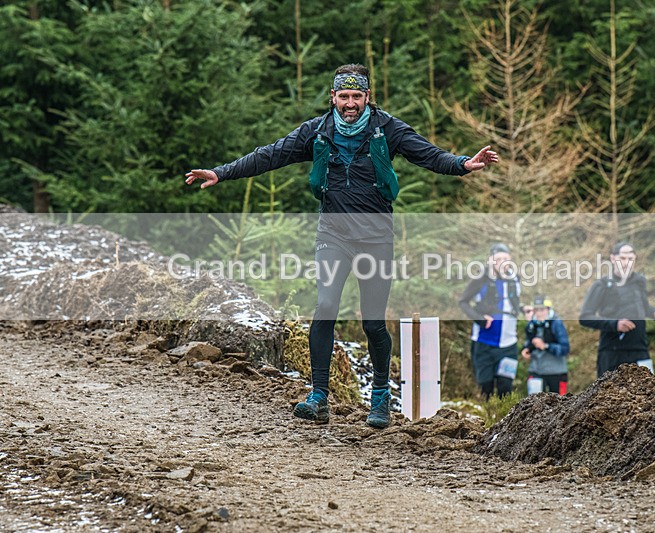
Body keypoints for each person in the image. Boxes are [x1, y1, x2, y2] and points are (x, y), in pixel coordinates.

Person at [185, 64, 498, 427]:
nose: (350, 104)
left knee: (372, 322)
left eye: (357, 97)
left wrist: (463, 164)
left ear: (368, 97)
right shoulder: (316, 131)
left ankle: (380, 396)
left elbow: (429, 155)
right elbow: (269, 155)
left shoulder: (388, 129)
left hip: (376, 238)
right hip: (332, 235)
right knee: (326, 305)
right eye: (344, 96)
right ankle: (318, 396)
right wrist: (222, 172)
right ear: (333, 97)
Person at [579, 241, 655, 377]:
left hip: (640, 349)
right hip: (612, 352)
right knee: (609, 396)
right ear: (613, 259)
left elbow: (643, 308)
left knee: (648, 394)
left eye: (630, 259)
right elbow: (585, 317)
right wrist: (615, 324)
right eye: (622, 258)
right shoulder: (602, 285)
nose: (626, 262)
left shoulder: (640, 281)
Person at [458, 243, 522, 399]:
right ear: (490, 260)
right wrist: (479, 319)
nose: (502, 262)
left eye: (505, 259)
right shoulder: (481, 279)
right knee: (485, 387)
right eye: (498, 259)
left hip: (509, 344)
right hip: (484, 343)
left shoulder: (515, 279)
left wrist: (524, 309)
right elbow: (463, 302)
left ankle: (505, 421)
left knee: (505, 387)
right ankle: (486, 421)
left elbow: (512, 304)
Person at [521, 295, 570, 395]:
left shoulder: (556, 323)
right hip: (536, 371)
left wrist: (546, 346)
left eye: (542, 310)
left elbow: (565, 348)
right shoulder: (531, 325)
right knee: (533, 406)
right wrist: (526, 350)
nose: (539, 313)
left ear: (548, 309)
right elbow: (527, 342)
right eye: (536, 310)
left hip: (556, 372)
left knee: (560, 407)